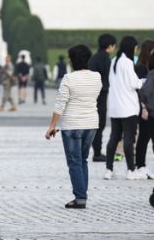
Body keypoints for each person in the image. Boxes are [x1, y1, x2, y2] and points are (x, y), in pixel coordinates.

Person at [45, 45, 101, 209]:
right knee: (82, 160)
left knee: (74, 162)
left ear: (71, 60)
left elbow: (60, 104)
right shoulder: (97, 77)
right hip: (91, 124)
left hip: (72, 125)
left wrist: (52, 126)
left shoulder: (68, 79)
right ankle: (82, 196)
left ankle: (80, 197)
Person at [105, 36, 143, 180]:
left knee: (114, 138)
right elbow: (134, 83)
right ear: (132, 47)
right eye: (136, 48)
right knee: (129, 139)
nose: (136, 50)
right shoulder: (127, 62)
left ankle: (109, 169)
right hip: (128, 108)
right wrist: (142, 82)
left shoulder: (114, 61)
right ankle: (131, 170)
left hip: (115, 107)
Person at [88, 34, 116, 162]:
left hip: (91, 93)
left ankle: (96, 151)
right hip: (102, 94)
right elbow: (109, 77)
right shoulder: (106, 59)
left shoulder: (93, 58)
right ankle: (97, 153)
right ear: (109, 45)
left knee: (95, 124)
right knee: (100, 124)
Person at [135, 39, 154, 178]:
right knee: (143, 138)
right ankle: (140, 165)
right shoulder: (142, 67)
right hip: (145, 108)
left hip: (147, 107)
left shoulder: (146, 67)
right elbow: (144, 90)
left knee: (145, 137)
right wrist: (144, 107)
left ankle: (141, 165)